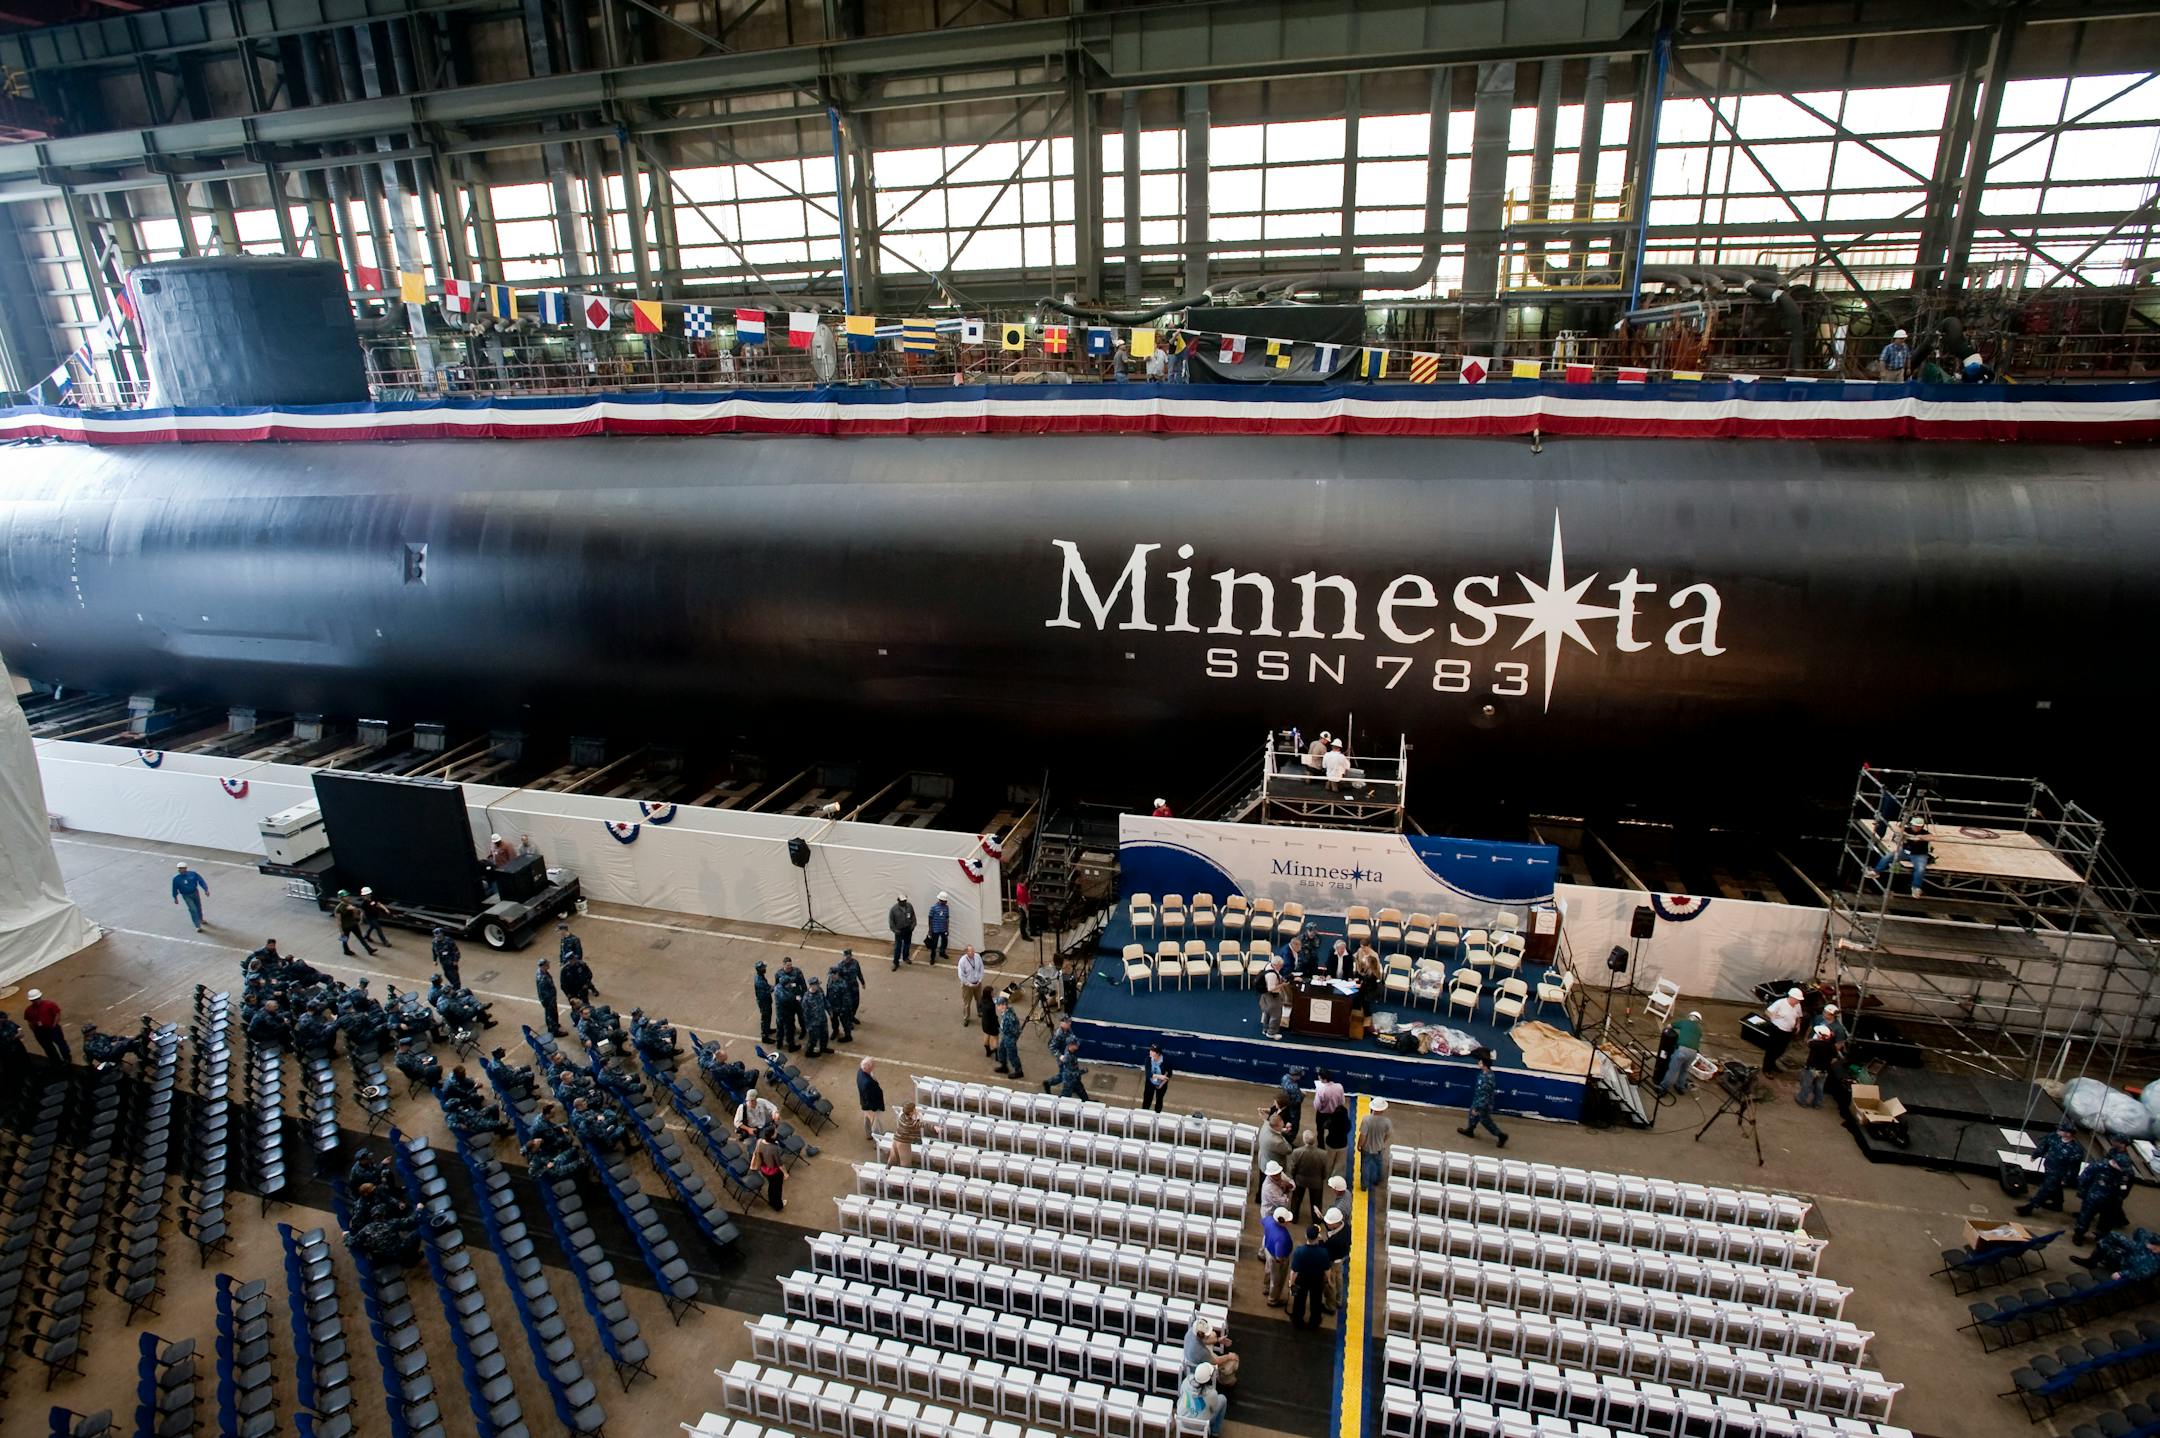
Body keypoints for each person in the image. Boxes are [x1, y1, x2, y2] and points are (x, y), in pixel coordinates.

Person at [2074, 1139, 2136, 1245]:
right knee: (2085, 1217)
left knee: (2106, 1222)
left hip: (2111, 1200)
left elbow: (2125, 1185)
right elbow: (2084, 1179)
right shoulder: (2098, 1166)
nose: (2123, 1170)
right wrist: (2083, 1192)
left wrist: (2121, 1196)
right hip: (2093, 1197)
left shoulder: (2125, 1171)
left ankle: (2101, 1237)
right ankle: (2079, 1235)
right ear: (2114, 1162)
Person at [2018, 1125, 2086, 1216]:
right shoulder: (2054, 1137)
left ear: (2069, 1134)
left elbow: (2074, 1167)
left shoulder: (2076, 1150)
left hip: (2059, 1173)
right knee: (2056, 1187)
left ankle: (2030, 1207)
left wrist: (2067, 1179)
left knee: (2045, 1189)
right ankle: (2057, 1204)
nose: (2058, 1131)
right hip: (2049, 1167)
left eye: (2062, 1130)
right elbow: (2045, 1145)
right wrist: (2036, 1155)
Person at [1288, 1225, 1335, 1330]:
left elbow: (1294, 1271)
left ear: (1306, 1236)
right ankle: (1315, 1321)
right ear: (1318, 1237)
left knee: (1299, 1300)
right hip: (1317, 1279)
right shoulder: (1323, 1252)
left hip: (1302, 1279)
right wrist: (1329, 1280)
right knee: (1316, 1300)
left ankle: (1298, 1320)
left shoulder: (1299, 1251)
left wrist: (1291, 1283)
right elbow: (1327, 1270)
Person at [1460, 1049, 1509, 1145]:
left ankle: (1500, 1135)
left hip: (1483, 1104)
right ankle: (1470, 1130)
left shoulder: (1486, 1078)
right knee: (1472, 1116)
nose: (1478, 1063)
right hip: (1478, 1100)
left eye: (1480, 1062)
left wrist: (1477, 1108)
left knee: (1485, 1120)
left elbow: (1484, 1096)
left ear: (1484, 1065)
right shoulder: (1485, 1073)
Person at [1873, 820, 1933, 897]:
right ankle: (1876, 871)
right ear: (1911, 825)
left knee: (1920, 868)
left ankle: (1916, 887)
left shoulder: (1925, 833)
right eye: (1915, 826)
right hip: (1905, 852)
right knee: (1888, 856)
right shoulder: (1907, 830)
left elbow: (1931, 837)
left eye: (1919, 826)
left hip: (1918, 855)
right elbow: (1895, 827)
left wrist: (1920, 838)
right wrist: (1907, 835)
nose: (1917, 828)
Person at [1183, 1316, 1240, 1388]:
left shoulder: (1192, 1331)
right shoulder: (1202, 1352)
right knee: (1233, 1361)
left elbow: (1204, 1340)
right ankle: (1224, 1379)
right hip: (1196, 1365)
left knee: (1213, 1335)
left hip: (1190, 1355)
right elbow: (1216, 1361)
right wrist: (1229, 1356)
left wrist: (1218, 1340)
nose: (1209, 1335)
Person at [1288, 1128, 1330, 1224]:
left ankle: (1294, 1217)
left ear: (1304, 1139)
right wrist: (1322, 1178)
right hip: (1316, 1181)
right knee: (1316, 1202)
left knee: (1296, 1200)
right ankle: (1316, 1220)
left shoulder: (1297, 1152)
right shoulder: (1323, 1154)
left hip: (1300, 1180)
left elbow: (1292, 1168)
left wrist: (1294, 1176)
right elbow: (1325, 1170)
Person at [1795, 1023, 1841, 1108]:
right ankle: (1817, 1103)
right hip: (1824, 1070)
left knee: (1806, 1085)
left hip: (1811, 1069)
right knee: (1819, 1088)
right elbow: (1834, 1059)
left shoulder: (1815, 1044)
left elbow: (1808, 1042)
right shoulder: (1832, 1047)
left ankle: (1801, 1100)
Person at [1658, 1010, 1704, 1095]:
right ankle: (1680, 1087)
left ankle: (1663, 1088)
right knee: (1684, 1071)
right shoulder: (1699, 1029)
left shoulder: (1685, 1022)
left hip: (1682, 1050)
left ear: (1690, 1016)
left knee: (1672, 1070)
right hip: (1693, 1053)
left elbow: (1669, 1026)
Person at [1760, 987, 1804, 1074]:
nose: (1798, 1002)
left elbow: (1799, 1016)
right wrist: (1774, 1017)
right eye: (1797, 1000)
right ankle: (1766, 1069)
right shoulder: (1780, 1003)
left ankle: (1772, 1064)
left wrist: (1798, 1024)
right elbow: (1767, 1012)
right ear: (1791, 997)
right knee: (1771, 1051)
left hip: (1788, 1032)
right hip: (1777, 1030)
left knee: (1780, 1050)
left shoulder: (1797, 1005)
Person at [1176, 1361, 1227, 1435]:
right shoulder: (1212, 1393)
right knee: (1223, 1398)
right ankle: (1215, 1431)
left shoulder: (1186, 1381)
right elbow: (1214, 1409)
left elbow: (1180, 1394)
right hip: (1200, 1425)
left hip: (1182, 1420)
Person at [1260, 1203, 1294, 1307]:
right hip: (1277, 1258)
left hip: (1268, 1250)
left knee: (1268, 1270)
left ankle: (1266, 1288)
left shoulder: (1269, 1220)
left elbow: (1262, 1222)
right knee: (1277, 1279)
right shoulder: (1282, 1237)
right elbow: (1279, 1255)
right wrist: (1281, 1260)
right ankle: (1273, 1299)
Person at [23, 988, 70, 1064]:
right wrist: (35, 1030)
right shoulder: (28, 1010)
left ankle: (67, 1058)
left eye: (37, 999)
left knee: (61, 1044)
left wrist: (54, 1025)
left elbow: (57, 1014)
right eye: (34, 1000)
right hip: (40, 1032)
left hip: (52, 1029)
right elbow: (29, 1021)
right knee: (48, 1048)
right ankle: (56, 1061)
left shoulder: (49, 1004)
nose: (36, 1001)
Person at [1357, 1097, 1393, 1193]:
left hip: (1366, 1148)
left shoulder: (1366, 1120)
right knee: (1379, 1164)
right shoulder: (1387, 1122)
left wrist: (1359, 1145)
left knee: (1365, 1166)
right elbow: (1388, 1135)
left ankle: (1364, 1185)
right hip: (1379, 1148)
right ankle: (1377, 1180)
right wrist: (1382, 1141)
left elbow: (1363, 1135)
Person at [1323, 1203, 1353, 1312]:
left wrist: (1321, 1241)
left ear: (1335, 1224)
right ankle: (1339, 1299)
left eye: (1328, 1223)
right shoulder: (1346, 1227)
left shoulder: (1334, 1241)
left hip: (1333, 1261)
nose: (1327, 1224)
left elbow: (1327, 1252)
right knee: (1339, 1278)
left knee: (1330, 1282)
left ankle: (1330, 1305)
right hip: (1342, 1257)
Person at [774, 957, 806, 1052]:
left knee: (801, 1016)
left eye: (790, 965)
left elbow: (803, 985)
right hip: (789, 1007)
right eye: (787, 965)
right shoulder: (779, 975)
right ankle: (790, 1044)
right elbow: (789, 997)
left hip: (794, 1001)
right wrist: (796, 998)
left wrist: (802, 996)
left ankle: (803, 1030)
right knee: (789, 1027)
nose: (789, 967)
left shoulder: (797, 971)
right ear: (783, 965)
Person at [753, 1128, 786, 1211]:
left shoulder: (759, 1141)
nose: (776, 1132)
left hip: (763, 1169)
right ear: (772, 1136)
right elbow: (779, 1164)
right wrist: (785, 1173)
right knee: (777, 1189)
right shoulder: (773, 1148)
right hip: (773, 1172)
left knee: (771, 1186)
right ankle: (778, 1205)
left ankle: (771, 1201)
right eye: (775, 1132)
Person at [333, 891, 376, 957]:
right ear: (341, 897)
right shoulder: (338, 908)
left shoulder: (349, 904)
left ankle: (369, 949)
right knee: (345, 939)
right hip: (345, 926)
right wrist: (341, 931)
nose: (347, 897)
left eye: (347, 896)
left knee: (360, 938)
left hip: (353, 924)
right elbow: (339, 920)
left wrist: (355, 912)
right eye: (345, 896)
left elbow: (355, 914)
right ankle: (346, 950)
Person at [171, 860, 210, 932]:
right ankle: (197, 925)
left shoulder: (193, 874)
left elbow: (201, 881)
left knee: (198, 907)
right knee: (193, 909)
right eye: (179, 868)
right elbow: (174, 888)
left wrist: (206, 889)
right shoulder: (176, 879)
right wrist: (175, 897)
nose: (180, 870)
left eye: (182, 868)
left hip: (195, 892)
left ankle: (201, 919)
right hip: (186, 895)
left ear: (186, 868)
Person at [1314, 1070, 1348, 1150]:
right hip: (1335, 1114)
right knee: (1333, 1130)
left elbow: (1317, 1106)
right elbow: (1342, 1102)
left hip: (1322, 1115)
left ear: (1324, 1079)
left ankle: (1321, 1147)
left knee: (1320, 1131)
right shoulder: (1339, 1087)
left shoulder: (1320, 1090)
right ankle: (1332, 1145)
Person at [994, 992, 1025, 1080]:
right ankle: (1004, 1066)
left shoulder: (1010, 1017)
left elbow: (1016, 1030)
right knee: (1001, 1050)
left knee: (1012, 1055)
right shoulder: (1006, 1012)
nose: (997, 1007)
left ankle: (1019, 1071)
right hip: (1006, 1036)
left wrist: (1012, 1039)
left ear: (1004, 1005)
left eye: (998, 1005)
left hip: (1009, 1037)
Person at [856, 1058, 887, 1139]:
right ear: (869, 1068)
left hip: (864, 1104)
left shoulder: (860, 1072)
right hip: (871, 1107)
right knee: (876, 1124)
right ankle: (878, 1141)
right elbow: (870, 1098)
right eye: (873, 1066)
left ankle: (868, 1134)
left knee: (867, 1119)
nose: (874, 1067)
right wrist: (875, 1109)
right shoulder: (868, 1083)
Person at [801, 977, 832, 1058]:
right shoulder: (806, 998)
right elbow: (805, 1014)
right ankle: (809, 1052)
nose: (818, 986)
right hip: (813, 1023)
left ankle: (823, 1048)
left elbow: (825, 1001)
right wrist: (808, 1026)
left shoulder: (820, 991)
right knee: (813, 1039)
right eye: (816, 984)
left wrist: (829, 1011)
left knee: (825, 1035)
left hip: (822, 1019)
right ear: (812, 985)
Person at [534, 957, 564, 1037]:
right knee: (551, 1014)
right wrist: (551, 1000)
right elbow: (544, 992)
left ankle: (553, 1026)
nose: (549, 965)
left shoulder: (542, 972)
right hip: (549, 999)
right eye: (547, 964)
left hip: (550, 998)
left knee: (550, 1014)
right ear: (543, 966)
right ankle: (554, 1031)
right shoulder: (542, 978)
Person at [1258, 958, 1287, 1040]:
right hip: (1272, 996)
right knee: (1276, 1015)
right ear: (1277, 965)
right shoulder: (1271, 975)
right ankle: (1271, 1033)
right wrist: (1283, 985)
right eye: (1281, 966)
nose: (1282, 967)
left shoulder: (1269, 966)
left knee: (1268, 1012)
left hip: (1265, 995)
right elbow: (1271, 988)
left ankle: (1265, 1029)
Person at [956, 945, 985, 1026]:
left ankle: (980, 1012)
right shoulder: (962, 961)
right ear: (966, 952)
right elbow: (961, 975)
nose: (972, 953)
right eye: (970, 951)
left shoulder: (977, 957)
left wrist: (979, 980)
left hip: (977, 983)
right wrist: (969, 984)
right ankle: (966, 1018)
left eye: (973, 951)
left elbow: (981, 969)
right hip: (967, 986)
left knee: (979, 999)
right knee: (967, 1003)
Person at [1142, 1042, 1174, 1113]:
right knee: (1147, 1099)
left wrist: (1161, 1084)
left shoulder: (1166, 1061)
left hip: (1161, 1084)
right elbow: (1148, 1074)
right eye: (1150, 1050)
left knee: (1159, 1100)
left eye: (1152, 1051)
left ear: (1158, 1053)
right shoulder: (1148, 1059)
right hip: (1150, 1083)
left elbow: (1169, 1074)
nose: (1150, 1052)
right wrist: (1159, 1076)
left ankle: (1157, 1116)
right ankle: (1144, 1114)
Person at [889, 893, 918, 969]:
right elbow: (891, 922)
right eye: (902, 901)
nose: (904, 902)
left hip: (908, 929)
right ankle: (896, 963)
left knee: (907, 944)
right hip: (899, 931)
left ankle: (905, 957)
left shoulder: (909, 906)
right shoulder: (893, 909)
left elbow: (913, 917)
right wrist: (895, 930)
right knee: (898, 947)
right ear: (898, 901)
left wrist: (913, 926)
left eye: (905, 900)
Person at [892, 1102, 923, 1166]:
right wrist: (917, 1115)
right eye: (914, 1109)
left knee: (893, 1159)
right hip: (904, 1141)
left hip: (897, 1138)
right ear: (911, 1112)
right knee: (906, 1163)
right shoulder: (910, 1122)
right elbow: (920, 1124)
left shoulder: (902, 1116)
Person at [976, 983, 1001, 1063]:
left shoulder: (982, 1000)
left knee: (986, 1035)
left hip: (985, 1022)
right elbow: (993, 1016)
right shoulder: (991, 1005)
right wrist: (998, 1025)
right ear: (989, 994)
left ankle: (988, 1052)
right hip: (992, 1024)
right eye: (992, 992)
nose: (993, 993)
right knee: (995, 1039)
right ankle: (997, 1056)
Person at [925, 892, 951, 965]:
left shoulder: (946, 907)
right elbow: (930, 919)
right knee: (934, 945)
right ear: (940, 900)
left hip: (943, 929)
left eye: (946, 901)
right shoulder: (933, 907)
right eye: (944, 901)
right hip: (935, 930)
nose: (945, 902)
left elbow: (947, 918)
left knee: (944, 942)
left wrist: (947, 929)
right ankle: (932, 958)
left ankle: (942, 953)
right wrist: (930, 930)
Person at [752, 961, 775, 1043]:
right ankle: (765, 1036)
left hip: (766, 1000)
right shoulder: (759, 981)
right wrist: (777, 987)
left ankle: (767, 1029)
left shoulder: (760, 977)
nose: (765, 969)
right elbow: (768, 989)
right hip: (764, 1002)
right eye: (763, 968)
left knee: (768, 1017)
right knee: (765, 1018)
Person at [1013, 877, 1034, 941]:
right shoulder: (1020, 891)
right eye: (1026, 879)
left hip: (1026, 904)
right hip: (1023, 907)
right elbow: (1022, 904)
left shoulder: (1021, 885)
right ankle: (1024, 935)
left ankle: (1027, 931)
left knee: (1024, 920)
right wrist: (1026, 912)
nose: (1028, 879)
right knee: (1023, 921)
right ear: (1024, 880)